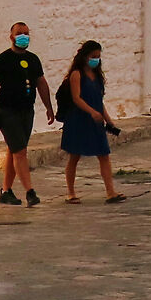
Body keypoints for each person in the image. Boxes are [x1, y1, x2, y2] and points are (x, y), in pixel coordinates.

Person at [0, 21, 58, 207]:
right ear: (11, 36)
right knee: (20, 152)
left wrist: (49, 107)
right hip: (7, 111)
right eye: (20, 33)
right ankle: (30, 192)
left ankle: (6, 191)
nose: (24, 36)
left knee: (14, 150)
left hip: (27, 111)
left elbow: (41, 83)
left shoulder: (33, 60)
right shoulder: (2, 60)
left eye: (26, 33)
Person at [58, 40, 126, 205]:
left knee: (104, 155)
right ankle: (71, 193)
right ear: (85, 56)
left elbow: (99, 101)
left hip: (95, 122)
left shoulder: (97, 77)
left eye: (98, 57)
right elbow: (76, 98)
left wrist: (108, 120)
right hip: (78, 120)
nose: (96, 60)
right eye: (93, 56)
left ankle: (110, 192)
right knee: (74, 156)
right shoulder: (76, 75)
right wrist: (91, 112)